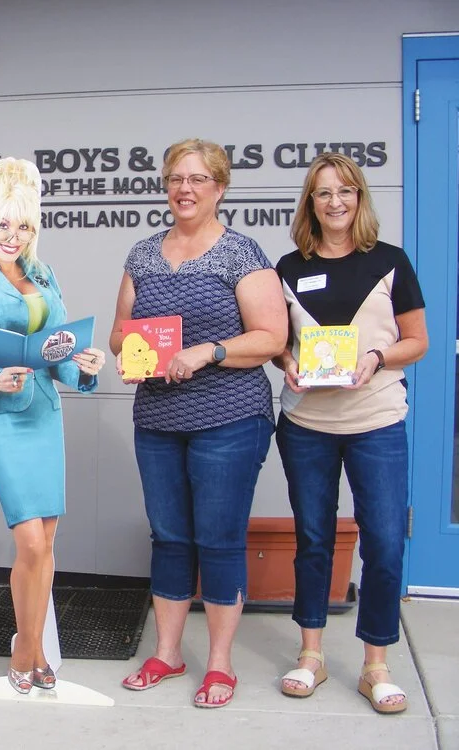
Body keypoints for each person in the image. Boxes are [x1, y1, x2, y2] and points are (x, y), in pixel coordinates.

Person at [110, 139, 287, 708]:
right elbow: (119, 331)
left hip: (230, 416)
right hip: (158, 416)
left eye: (197, 179)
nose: (184, 189)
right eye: (175, 179)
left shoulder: (240, 252)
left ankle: (218, 664)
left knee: (217, 538)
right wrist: (135, 351)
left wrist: (207, 350)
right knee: (169, 536)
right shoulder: (141, 254)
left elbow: (270, 337)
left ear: (220, 187)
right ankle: (166, 652)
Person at [0, 157, 105, 694]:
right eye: (5, 224)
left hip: (43, 413)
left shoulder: (43, 273)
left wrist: (80, 365)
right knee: (29, 541)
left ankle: (31, 648)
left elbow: (56, 349)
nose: (14, 235)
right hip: (0, 417)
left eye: (25, 225)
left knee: (47, 541)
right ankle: (27, 647)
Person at [272, 153, 428, 714]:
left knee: (384, 543)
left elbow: (418, 340)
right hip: (307, 424)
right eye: (322, 193)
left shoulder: (389, 261)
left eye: (345, 191)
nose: (335, 202)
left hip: (376, 421)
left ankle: (375, 664)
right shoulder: (288, 267)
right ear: (309, 203)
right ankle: (311, 655)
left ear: (360, 197)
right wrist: (285, 361)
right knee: (314, 539)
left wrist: (379, 357)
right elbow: (275, 340)